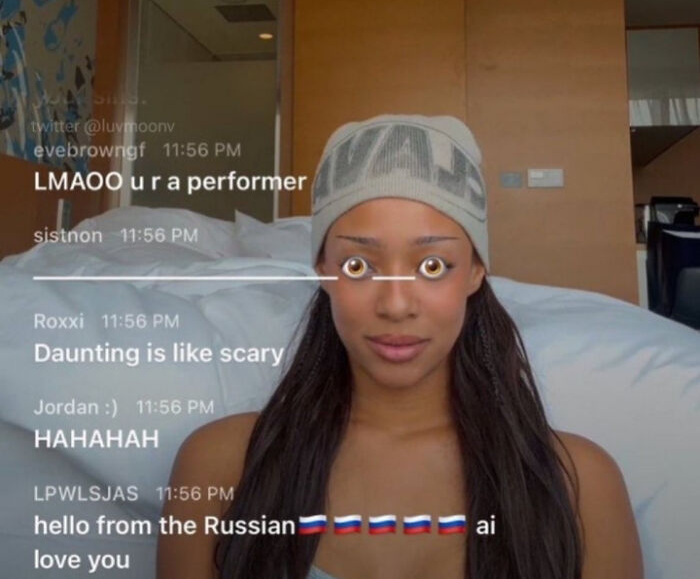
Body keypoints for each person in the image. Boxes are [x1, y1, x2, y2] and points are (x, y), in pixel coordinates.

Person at [156, 115, 643, 579]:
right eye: (358, 266)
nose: (395, 304)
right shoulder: (219, 464)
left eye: (433, 266)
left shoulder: (580, 485)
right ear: (323, 271)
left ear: (475, 271)